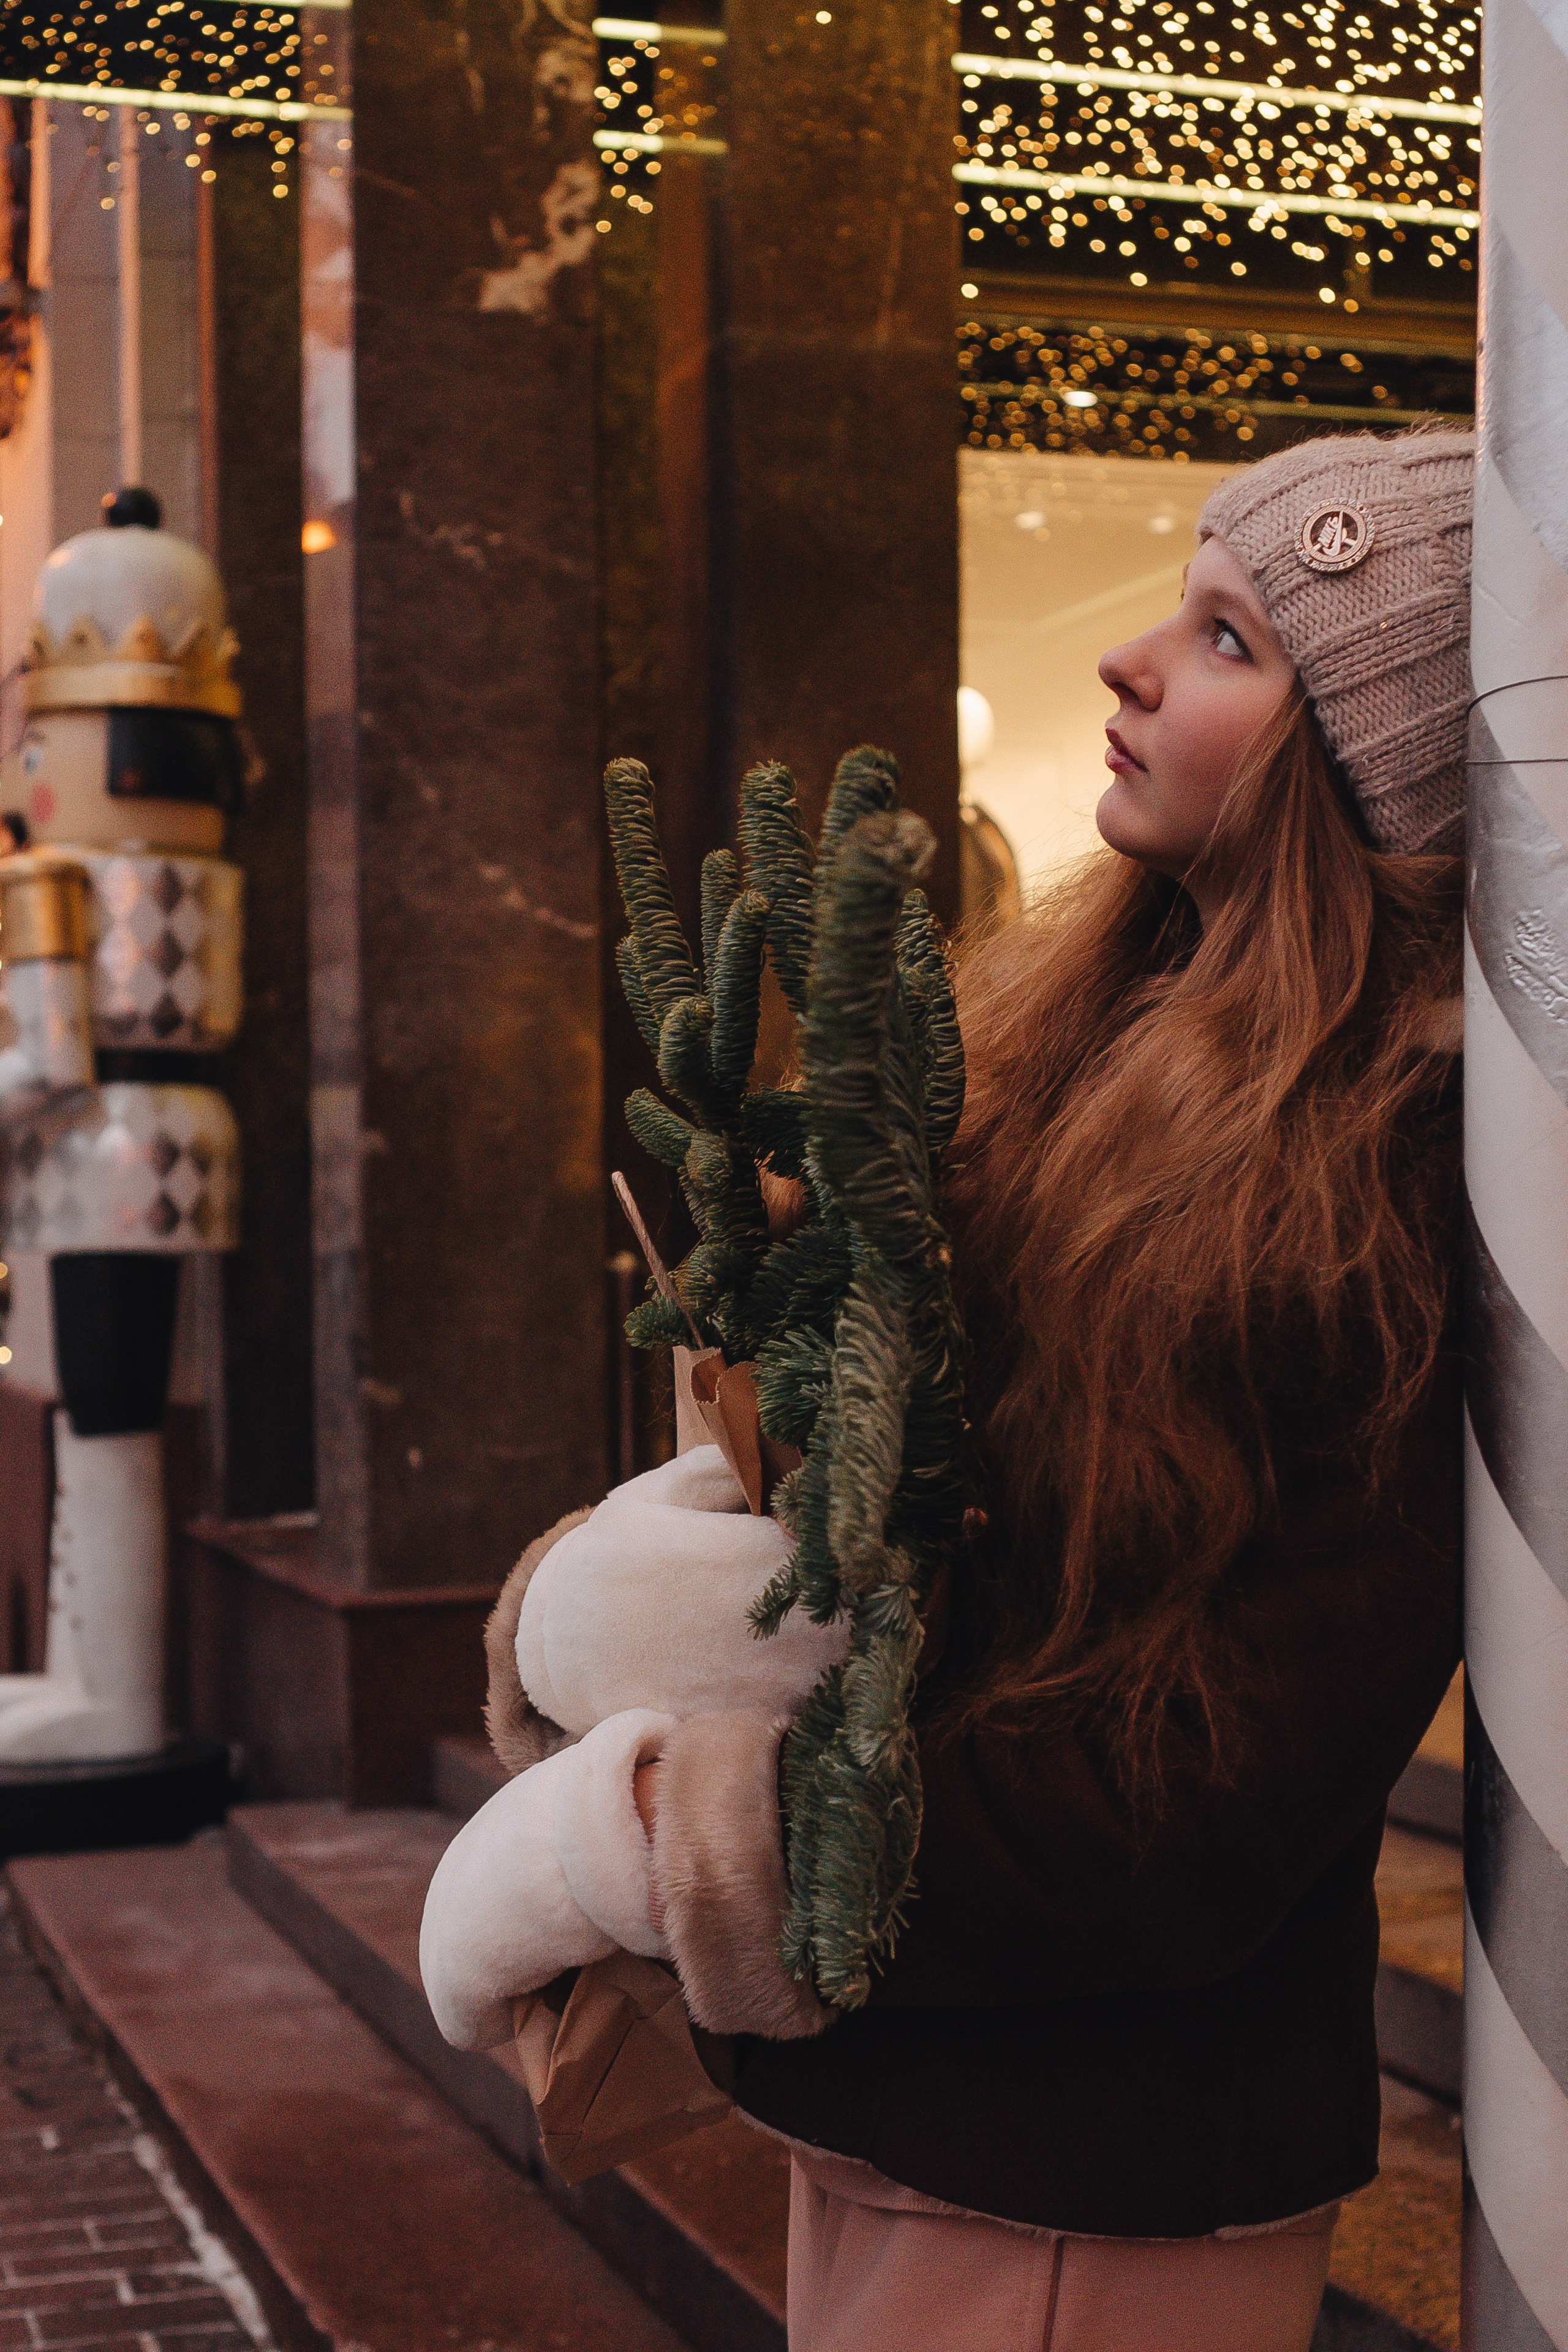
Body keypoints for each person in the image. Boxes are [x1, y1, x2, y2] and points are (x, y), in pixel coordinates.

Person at [460, 429, 1471, 2351]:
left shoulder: (1374, 1207)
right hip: (909, 2093)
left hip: (1093, 2153)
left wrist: (734, 1851)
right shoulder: (1079, 1056)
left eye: (1234, 638)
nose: (1136, 660)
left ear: (1362, 763)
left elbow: (1196, 1802)